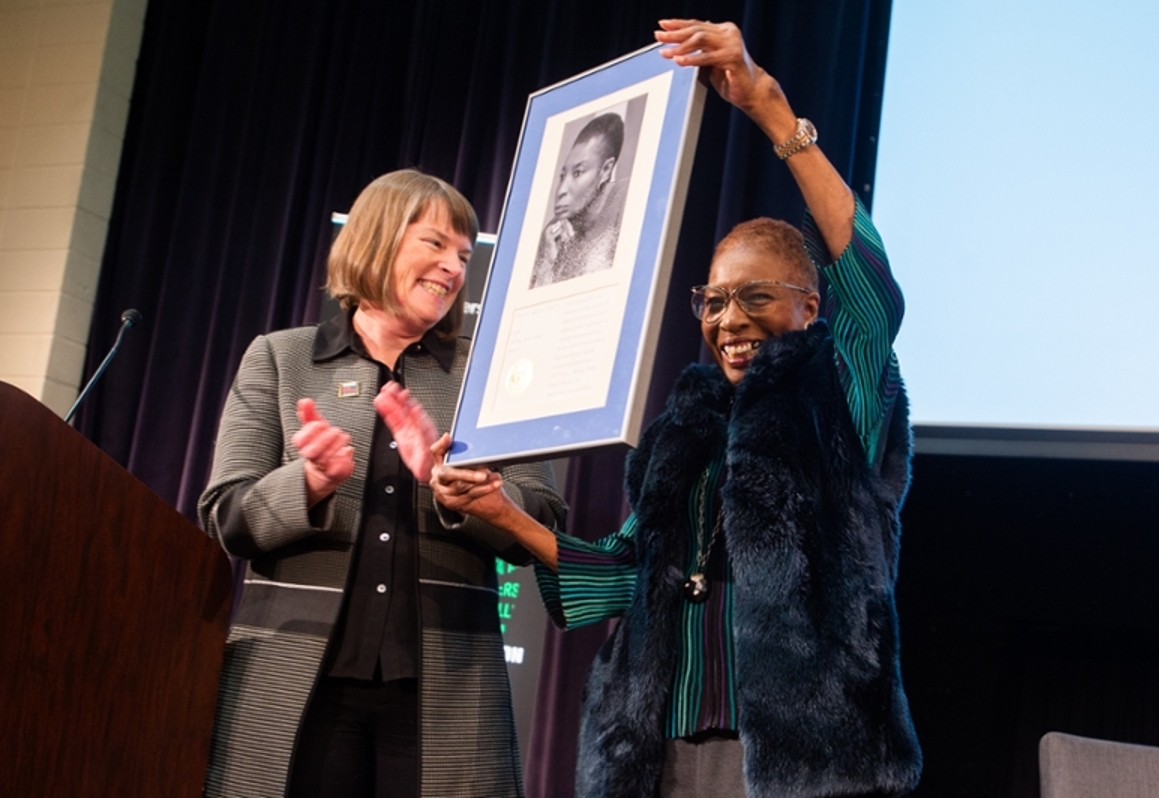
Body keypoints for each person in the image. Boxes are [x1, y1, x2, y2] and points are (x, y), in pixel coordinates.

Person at [386, 20, 923, 798]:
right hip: (660, 761)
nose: (729, 319)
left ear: (811, 307)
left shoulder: (841, 399)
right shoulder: (687, 429)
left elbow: (875, 293)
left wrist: (768, 106)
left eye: (756, 297)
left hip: (803, 766)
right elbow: (621, 582)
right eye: (715, 300)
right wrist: (503, 514)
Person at [197, 169, 567, 798]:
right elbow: (225, 515)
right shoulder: (280, 359)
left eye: (461, 253)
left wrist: (467, 495)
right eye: (434, 244)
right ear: (374, 241)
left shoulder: (489, 374)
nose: (453, 267)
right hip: (291, 682)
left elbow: (544, 515)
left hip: (449, 690)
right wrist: (308, 483)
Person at [529, 111, 629, 288]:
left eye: (578, 173)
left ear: (605, 170)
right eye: (562, 175)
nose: (561, 190)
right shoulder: (553, 232)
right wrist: (548, 262)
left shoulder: (627, 200)